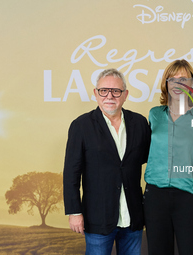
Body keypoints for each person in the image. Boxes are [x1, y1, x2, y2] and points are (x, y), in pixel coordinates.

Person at [63, 68, 151, 255]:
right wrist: (74, 212)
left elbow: (150, 159)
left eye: (116, 91)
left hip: (133, 217)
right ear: (95, 93)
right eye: (104, 90)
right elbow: (71, 173)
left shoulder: (140, 123)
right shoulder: (81, 126)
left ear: (125, 95)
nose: (109, 96)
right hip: (97, 218)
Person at [143, 59, 193, 255]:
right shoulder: (154, 115)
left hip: (188, 201)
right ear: (166, 84)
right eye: (172, 79)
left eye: (183, 79)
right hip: (155, 199)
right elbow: (143, 153)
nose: (178, 84)